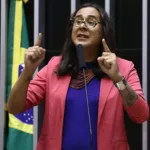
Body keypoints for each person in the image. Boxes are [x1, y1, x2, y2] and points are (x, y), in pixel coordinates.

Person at [7, 2, 149, 150]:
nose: (82, 26)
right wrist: (28, 71)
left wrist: (118, 78)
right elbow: (14, 107)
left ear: (103, 31)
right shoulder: (54, 67)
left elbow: (140, 115)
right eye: (78, 21)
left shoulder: (124, 68)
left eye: (91, 22)